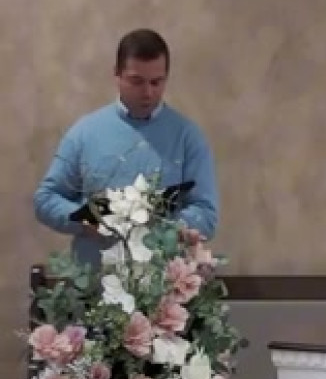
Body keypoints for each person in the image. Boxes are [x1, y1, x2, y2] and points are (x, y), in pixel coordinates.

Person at [33, 28, 219, 269]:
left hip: (163, 284)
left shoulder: (187, 137)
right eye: (137, 81)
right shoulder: (85, 133)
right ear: (117, 75)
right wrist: (86, 220)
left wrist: (163, 229)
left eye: (156, 82)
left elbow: (206, 213)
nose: (148, 92)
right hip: (93, 281)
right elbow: (46, 199)